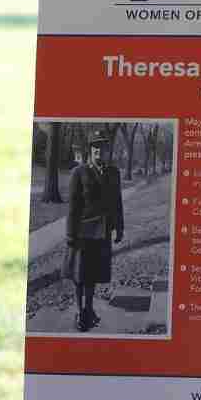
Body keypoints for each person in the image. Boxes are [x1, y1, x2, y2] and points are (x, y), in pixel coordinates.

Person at [65, 131, 125, 331]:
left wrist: (120, 227)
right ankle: (80, 311)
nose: (99, 150)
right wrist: (70, 235)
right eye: (95, 147)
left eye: (103, 147)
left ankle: (89, 309)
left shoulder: (113, 173)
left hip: (103, 232)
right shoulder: (79, 172)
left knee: (93, 274)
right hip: (82, 234)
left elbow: (117, 202)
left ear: (108, 150)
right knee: (80, 275)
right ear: (90, 150)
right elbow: (73, 207)